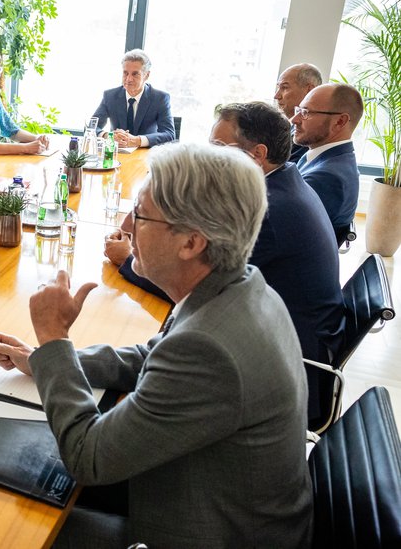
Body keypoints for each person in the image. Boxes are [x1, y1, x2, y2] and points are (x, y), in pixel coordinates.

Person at [0, 143, 312, 548]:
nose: (125, 225)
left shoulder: (208, 348)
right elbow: (149, 358)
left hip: (206, 530)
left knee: (0, 526)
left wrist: (53, 338)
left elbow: (88, 457)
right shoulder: (238, 285)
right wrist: (45, 361)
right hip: (208, 493)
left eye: (139, 215)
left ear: (191, 243)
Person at [106, 102, 344, 421]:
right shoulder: (284, 181)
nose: (211, 156)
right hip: (279, 342)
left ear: (257, 154)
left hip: (275, 369)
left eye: (219, 147)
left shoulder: (267, 213)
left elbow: (198, 286)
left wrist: (128, 261)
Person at [291, 82, 363, 237]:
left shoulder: (327, 178)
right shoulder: (327, 157)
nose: (294, 119)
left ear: (340, 122)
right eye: (298, 110)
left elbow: (287, 233)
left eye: (306, 112)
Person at [91, 49, 175, 148]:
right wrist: (108, 136)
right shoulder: (110, 96)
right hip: (116, 153)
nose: (129, 79)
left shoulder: (160, 98)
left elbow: (169, 134)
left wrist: (137, 140)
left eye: (135, 74)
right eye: (125, 73)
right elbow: (92, 127)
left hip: (145, 155)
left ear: (146, 75)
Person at [273, 63, 323, 162]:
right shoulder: (287, 127)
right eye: (278, 88)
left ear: (309, 90)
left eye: (285, 87)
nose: (276, 96)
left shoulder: (309, 132)